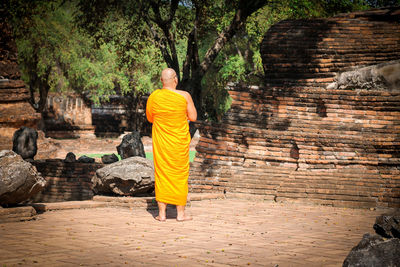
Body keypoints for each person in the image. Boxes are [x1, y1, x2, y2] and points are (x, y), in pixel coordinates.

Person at [146, 68, 197, 222]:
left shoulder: (154, 97)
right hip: (178, 144)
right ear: (175, 80)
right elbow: (193, 117)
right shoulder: (185, 96)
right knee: (180, 175)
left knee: (162, 174)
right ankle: (180, 214)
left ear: (161, 81)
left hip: (162, 143)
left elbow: (150, 118)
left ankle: (162, 214)